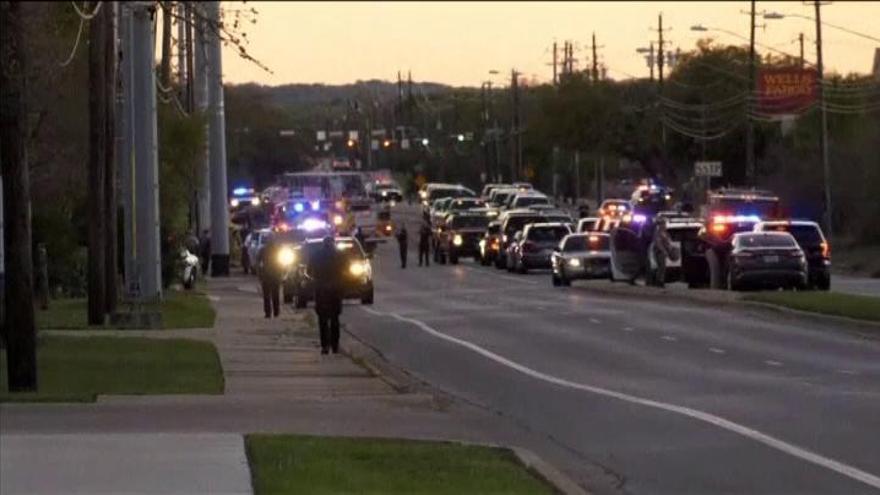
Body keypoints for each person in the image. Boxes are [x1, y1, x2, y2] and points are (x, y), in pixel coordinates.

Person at [308, 236, 345, 354]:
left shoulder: (316, 255)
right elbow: (346, 270)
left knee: (322, 319)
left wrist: (316, 278)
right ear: (333, 244)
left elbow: (309, 271)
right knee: (335, 318)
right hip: (336, 290)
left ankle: (325, 346)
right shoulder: (339, 255)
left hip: (321, 290)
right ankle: (335, 345)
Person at [257, 236, 284, 318]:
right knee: (275, 295)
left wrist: (260, 273)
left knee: (267, 295)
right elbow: (282, 263)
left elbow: (258, 262)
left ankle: (268, 313)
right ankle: (276, 312)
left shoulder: (263, 250)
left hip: (267, 275)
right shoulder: (277, 250)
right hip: (275, 275)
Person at [650, 219, 674, 288]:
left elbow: (669, 241)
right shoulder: (658, 233)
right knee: (661, 267)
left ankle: (661, 281)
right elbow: (658, 244)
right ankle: (659, 282)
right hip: (659, 252)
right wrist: (664, 251)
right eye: (663, 224)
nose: (664, 225)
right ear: (660, 225)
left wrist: (670, 248)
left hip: (664, 252)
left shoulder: (666, 233)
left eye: (664, 224)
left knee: (663, 267)